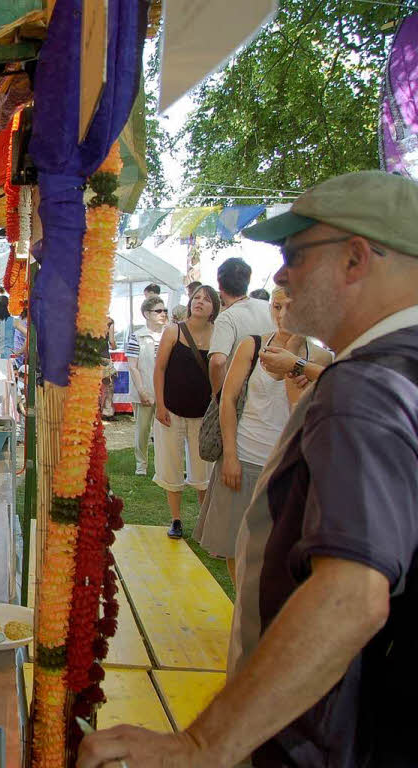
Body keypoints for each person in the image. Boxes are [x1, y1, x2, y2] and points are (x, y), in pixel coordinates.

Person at [77, 170, 418, 768]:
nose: (279, 276)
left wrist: (203, 744)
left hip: (328, 736)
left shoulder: (364, 387)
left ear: (356, 259)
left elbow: (351, 596)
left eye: (294, 256)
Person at [194, 286, 331, 585]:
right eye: (277, 307)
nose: (282, 316)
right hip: (244, 457)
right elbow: (227, 399)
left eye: (291, 308)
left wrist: (293, 352)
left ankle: (256, 617)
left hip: (286, 466)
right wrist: (230, 454)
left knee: (276, 552)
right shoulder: (251, 346)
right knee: (234, 544)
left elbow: (300, 413)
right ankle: (241, 611)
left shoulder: (320, 358)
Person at [152, 285, 218, 538]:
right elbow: (159, 369)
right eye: (197, 297)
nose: (200, 302)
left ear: (214, 307)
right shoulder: (173, 331)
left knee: (204, 470)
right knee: (171, 463)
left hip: (203, 414)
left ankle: (205, 522)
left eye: (206, 299)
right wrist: (160, 404)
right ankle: (176, 520)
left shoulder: (218, 334)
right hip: (172, 410)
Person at [207, 257, 274, 394]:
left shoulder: (227, 317)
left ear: (219, 285)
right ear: (248, 281)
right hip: (272, 390)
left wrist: (219, 397)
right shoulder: (269, 308)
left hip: (240, 395)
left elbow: (218, 362)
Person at [124, 296, 168, 475]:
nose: (163, 314)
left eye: (164, 310)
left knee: (164, 431)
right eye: (158, 311)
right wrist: (142, 391)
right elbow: (133, 366)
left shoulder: (170, 333)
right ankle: (141, 466)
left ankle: (163, 466)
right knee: (143, 430)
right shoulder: (137, 336)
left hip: (166, 392)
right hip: (145, 390)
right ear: (146, 314)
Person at [100, 316, 117, 418]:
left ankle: (93, 411)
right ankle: (107, 411)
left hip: (89, 358)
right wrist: (114, 347)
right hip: (104, 357)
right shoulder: (109, 321)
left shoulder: (84, 319)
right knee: (108, 385)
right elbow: (111, 341)